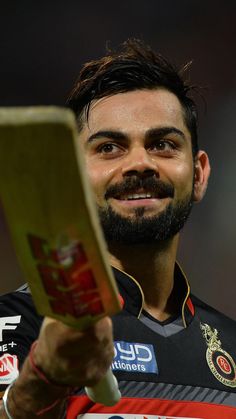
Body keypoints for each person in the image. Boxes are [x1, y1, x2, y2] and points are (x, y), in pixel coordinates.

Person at [0, 39, 235, 419]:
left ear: (199, 174)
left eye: (163, 144)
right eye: (109, 147)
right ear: (71, 178)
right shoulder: (18, 322)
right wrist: (38, 386)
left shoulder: (231, 346)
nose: (139, 163)